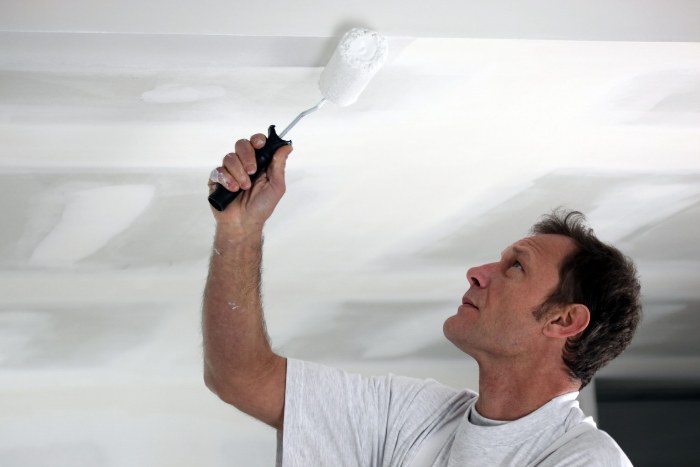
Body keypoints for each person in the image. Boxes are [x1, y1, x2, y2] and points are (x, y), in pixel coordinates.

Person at [202, 133, 641, 466]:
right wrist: (239, 233)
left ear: (564, 321)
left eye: (516, 267)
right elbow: (240, 377)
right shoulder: (415, 418)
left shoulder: (582, 459)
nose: (477, 272)